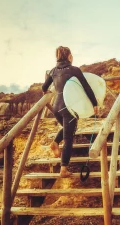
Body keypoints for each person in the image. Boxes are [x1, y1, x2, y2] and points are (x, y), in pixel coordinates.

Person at [42, 46, 98, 177]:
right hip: (68, 108)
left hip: (56, 107)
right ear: (69, 56)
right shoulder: (74, 70)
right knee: (68, 138)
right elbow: (86, 87)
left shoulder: (53, 71)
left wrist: (46, 92)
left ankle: (55, 143)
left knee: (69, 129)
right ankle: (63, 169)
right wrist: (94, 103)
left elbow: (44, 87)